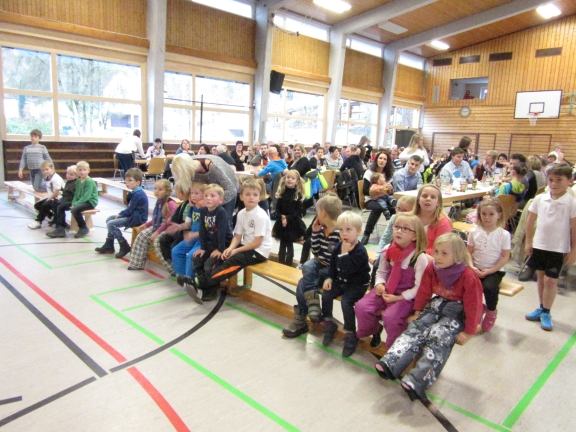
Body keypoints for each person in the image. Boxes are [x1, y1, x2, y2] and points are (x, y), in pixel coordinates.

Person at [374, 233, 483, 403]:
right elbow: (424, 290)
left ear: (458, 256)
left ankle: (418, 380)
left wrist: (469, 331)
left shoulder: (468, 276)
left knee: (438, 336)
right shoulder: (433, 268)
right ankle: (392, 362)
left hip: (457, 311)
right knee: (416, 328)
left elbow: (474, 305)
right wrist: (417, 312)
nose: (438, 256)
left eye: (444, 253)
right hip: (437, 304)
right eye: (436, 251)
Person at [356, 213, 428, 349]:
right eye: (397, 226)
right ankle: (375, 330)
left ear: (415, 236)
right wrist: (379, 283)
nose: (399, 231)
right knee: (362, 307)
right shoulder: (387, 249)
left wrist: (398, 298)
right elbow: (381, 272)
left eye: (405, 228)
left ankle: (395, 348)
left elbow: (419, 288)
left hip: (405, 296)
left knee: (391, 318)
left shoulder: (419, 257)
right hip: (387, 290)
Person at [524, 165, 576, 331]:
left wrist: (574, 250)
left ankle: (547, 312)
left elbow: (574, 228)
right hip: (540, 245)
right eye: (551, 180)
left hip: (558, 248)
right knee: (541, 277)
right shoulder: (540, 199)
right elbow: (530, 221)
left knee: (551, 280)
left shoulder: (571, 202)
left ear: (570, 181)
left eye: (559, 180)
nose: (554, 184)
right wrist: (528, 241)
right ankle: (541, 307)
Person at [282, 193, 342, 337]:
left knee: (302, 283)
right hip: (319, 264)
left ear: (323, 213)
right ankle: (313, 304)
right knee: (308, 266)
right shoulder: (321, 230)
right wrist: (315, 233)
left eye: (317, 211)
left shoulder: (340, 233)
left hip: (332, 271)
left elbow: (338, 261)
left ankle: (302, 320)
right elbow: (315, 251)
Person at [321, 211, 370, 357]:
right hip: (341, 281)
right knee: (326, 294)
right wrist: (329, 278)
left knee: (346, 302)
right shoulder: (339, 246)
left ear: (358, 231)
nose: (344, 233)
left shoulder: (360, 251)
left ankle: (350, 333)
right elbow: (332, 265)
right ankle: (329, 323)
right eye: (341, 230)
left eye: (348, 229)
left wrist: (344, 254)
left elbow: (349, 269)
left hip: (357, 284)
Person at [467, 199, 511, 332]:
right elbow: (468, 252)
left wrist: (490, 270)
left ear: (499, 215)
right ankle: (477, 308)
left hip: (494, 270)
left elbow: (505, 257)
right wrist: (472, 266)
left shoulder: (503, 234)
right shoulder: (474, 231)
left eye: (491, 214)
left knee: (489, 287)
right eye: (484, 214)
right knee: (468, 286)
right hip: (475, 268)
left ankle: (491, 310)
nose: (487, 217)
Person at [171, 154, 238, 233]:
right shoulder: (188, 167)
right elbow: (191, 188)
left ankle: (227, 240)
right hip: (208, 190)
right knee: (209, 223)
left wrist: (206, 201)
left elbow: (231, 191)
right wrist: (190, 198)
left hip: (227, 189)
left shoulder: (212, 166)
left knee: (225, 222)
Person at [189, 184, 234, 303]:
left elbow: (222, 233)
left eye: (212, 196)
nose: (208, 198)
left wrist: (220, 250)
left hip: (224, 245)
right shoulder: (204, 211)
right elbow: (202, 230)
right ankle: (202, 285)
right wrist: (203, 248)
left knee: (209, 264)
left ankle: (211, 289)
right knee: (197, 259)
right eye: (206, 196)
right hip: (211, 244)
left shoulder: (221, 212)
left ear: (220, 200)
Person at [95, 168, 148, 257]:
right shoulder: (134, 192)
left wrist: (121, 214)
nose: (127, 182)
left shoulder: (138, 194)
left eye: (130, 180)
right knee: (109, 219)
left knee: (111, 224)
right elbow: (129, 208)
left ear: (138, 182)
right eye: (126, 180)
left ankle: (124, 245)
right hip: (133, 216)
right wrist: (122, 214)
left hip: (137, 218)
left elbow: (130, 210)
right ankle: (109, 245)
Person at [128, 179, 178, 270]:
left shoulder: (170, 204)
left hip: (168, 229)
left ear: (167, 191)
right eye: (155, 189)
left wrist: (157, 232)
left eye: (160, 189)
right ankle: (137, 264)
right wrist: (146, 225)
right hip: (158, 226)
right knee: (142, 235)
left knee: (158, 242)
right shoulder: (159, 202)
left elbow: (168, 223)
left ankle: (172, 268)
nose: (156, 191)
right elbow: (156, 218)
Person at [47, 161, 98, 239]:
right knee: (60, 207)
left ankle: (83, 228)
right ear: (77, 171)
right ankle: (60, 229)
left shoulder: (89, 181)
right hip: (80, 201)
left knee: (75, 210)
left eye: (84, 170)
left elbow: (86, 196)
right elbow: (76, 194)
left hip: (90, 202)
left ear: (88, 170)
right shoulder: (78, 181)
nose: (82, 172)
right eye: (80, 170)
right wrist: (74, 202)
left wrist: (75, 204)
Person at [153, 182, 191, 276]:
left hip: (184, 232)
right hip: (178, 230)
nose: (176, 194)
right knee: (164, 240)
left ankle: (179, 268)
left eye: (177, 192)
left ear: (181, 193)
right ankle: (173, 265)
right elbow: (175, 217)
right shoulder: (183, 204)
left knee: (174, 246)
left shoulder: (188, 205)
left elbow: (186, 222)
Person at [173, 181, 205, 289]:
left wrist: (193, 235)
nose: (193, 196)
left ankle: (190, 284)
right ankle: (181, 278)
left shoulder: (206, 209)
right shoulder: (192, 207)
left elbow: (208, 231)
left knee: (191, 255)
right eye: (192, 193)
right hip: (192, 238)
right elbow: (188, 223)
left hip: (202, 240)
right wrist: (179, 226)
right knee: (176, 251)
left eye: (196, 193)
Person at [361, 150, 395, 245]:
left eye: (385, 159)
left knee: (395, 208)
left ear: (387, 162)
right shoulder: (369, 172)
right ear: (376, 160)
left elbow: (391, 192)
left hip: (384, 198)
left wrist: (390, 189)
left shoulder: (388, 174)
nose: (382, 161)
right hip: (371, 199)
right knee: (377, 208)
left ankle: (393, 234)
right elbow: (365, 191)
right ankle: (366, 234)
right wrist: (378, 190)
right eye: (380, 158)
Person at [273, 170, 306, 267]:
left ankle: (288, 263)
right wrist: (282, 217)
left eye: (292, 178)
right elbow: (277, 208)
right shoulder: (282, 192)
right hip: (281, 222)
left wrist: (287, 218)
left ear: (297, 181)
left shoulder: (297, 194)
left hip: (293, 223)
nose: (289, 180)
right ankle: (281, 262)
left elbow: (299, 211)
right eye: (288, 177)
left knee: (289, 244)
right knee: (282, 243)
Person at [413, 185, 452, 257]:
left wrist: (418, 255)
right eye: (424, 196)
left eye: (433, 197)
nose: (428, 199)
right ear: (418, 200)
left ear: (438, 203)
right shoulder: (409, 218)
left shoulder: (443, 222)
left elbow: (440, 248)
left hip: (431, 258)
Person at [28, 161, 64, 229]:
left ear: (52, 168)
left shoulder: (56, 178)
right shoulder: (47, 177)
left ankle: (38, 221)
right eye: (43, 170)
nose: (45, 171)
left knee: (45, 205)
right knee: (37, 205)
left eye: (47, 169)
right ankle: (53, 217)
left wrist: (49, 199)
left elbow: (57, 191)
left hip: (59, 198)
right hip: (53, 197)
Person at [45, 166, 77, 236]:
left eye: (71, 175)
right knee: (54, 203)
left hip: (72, 201)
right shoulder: (69, 182)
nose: (68, 176)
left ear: (76, 176)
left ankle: (60, 229)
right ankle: (60, 223)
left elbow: (74, 196)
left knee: (60, 207)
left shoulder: (75, 184)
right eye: (68, 174)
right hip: (66, 199)